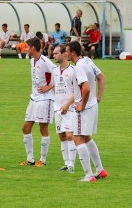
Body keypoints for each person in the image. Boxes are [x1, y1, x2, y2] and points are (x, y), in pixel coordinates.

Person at [66, 41, 107, 182]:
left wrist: (82, 105)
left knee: (78, 139)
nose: (66, 54)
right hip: (93, 105)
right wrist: (98, 97)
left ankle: (88, 175)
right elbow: (101, 77)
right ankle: (100, 170)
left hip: (84, 108)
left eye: (67, 51)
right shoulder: (88, 60)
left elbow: (87, 87)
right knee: (87, 137)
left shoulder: (78, 67)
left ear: (73, 53)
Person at [20, 37, 55, 167]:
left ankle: (43, 160)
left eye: (27, 47)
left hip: (45, 99)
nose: (25, 49)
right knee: (25, 128)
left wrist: (49, 86)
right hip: (34, 98)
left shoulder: (46, 61)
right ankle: (30, 159)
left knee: (43, 128)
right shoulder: (31, 60)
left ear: (33, 48)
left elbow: (58, 73)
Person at [52, 45, 76, 173]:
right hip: (57, 109)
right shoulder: (55, 70)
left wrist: (67, 104)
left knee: (69, 135)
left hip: (70, 109)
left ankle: (72, 165)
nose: (53, 56)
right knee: (61, 136)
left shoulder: (73, 70)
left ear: (64, 54)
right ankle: (66, 163)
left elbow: (78, 91)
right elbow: (55, 86)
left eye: (56, 53)